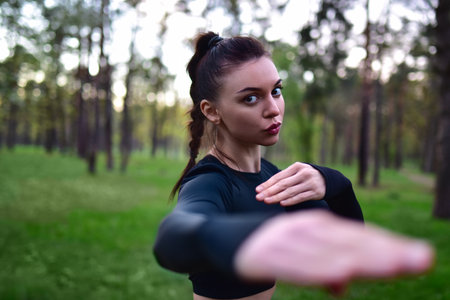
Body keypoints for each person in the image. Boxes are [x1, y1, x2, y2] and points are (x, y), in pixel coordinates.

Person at [153, 32, 433, 300]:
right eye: (250, 98)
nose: (273, 109)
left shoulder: (273, 178)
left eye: (276, 91)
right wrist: (250, 237)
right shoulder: (210, 181)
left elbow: (346, 239)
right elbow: (174, 237)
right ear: (212, 111)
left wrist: (334, 183)